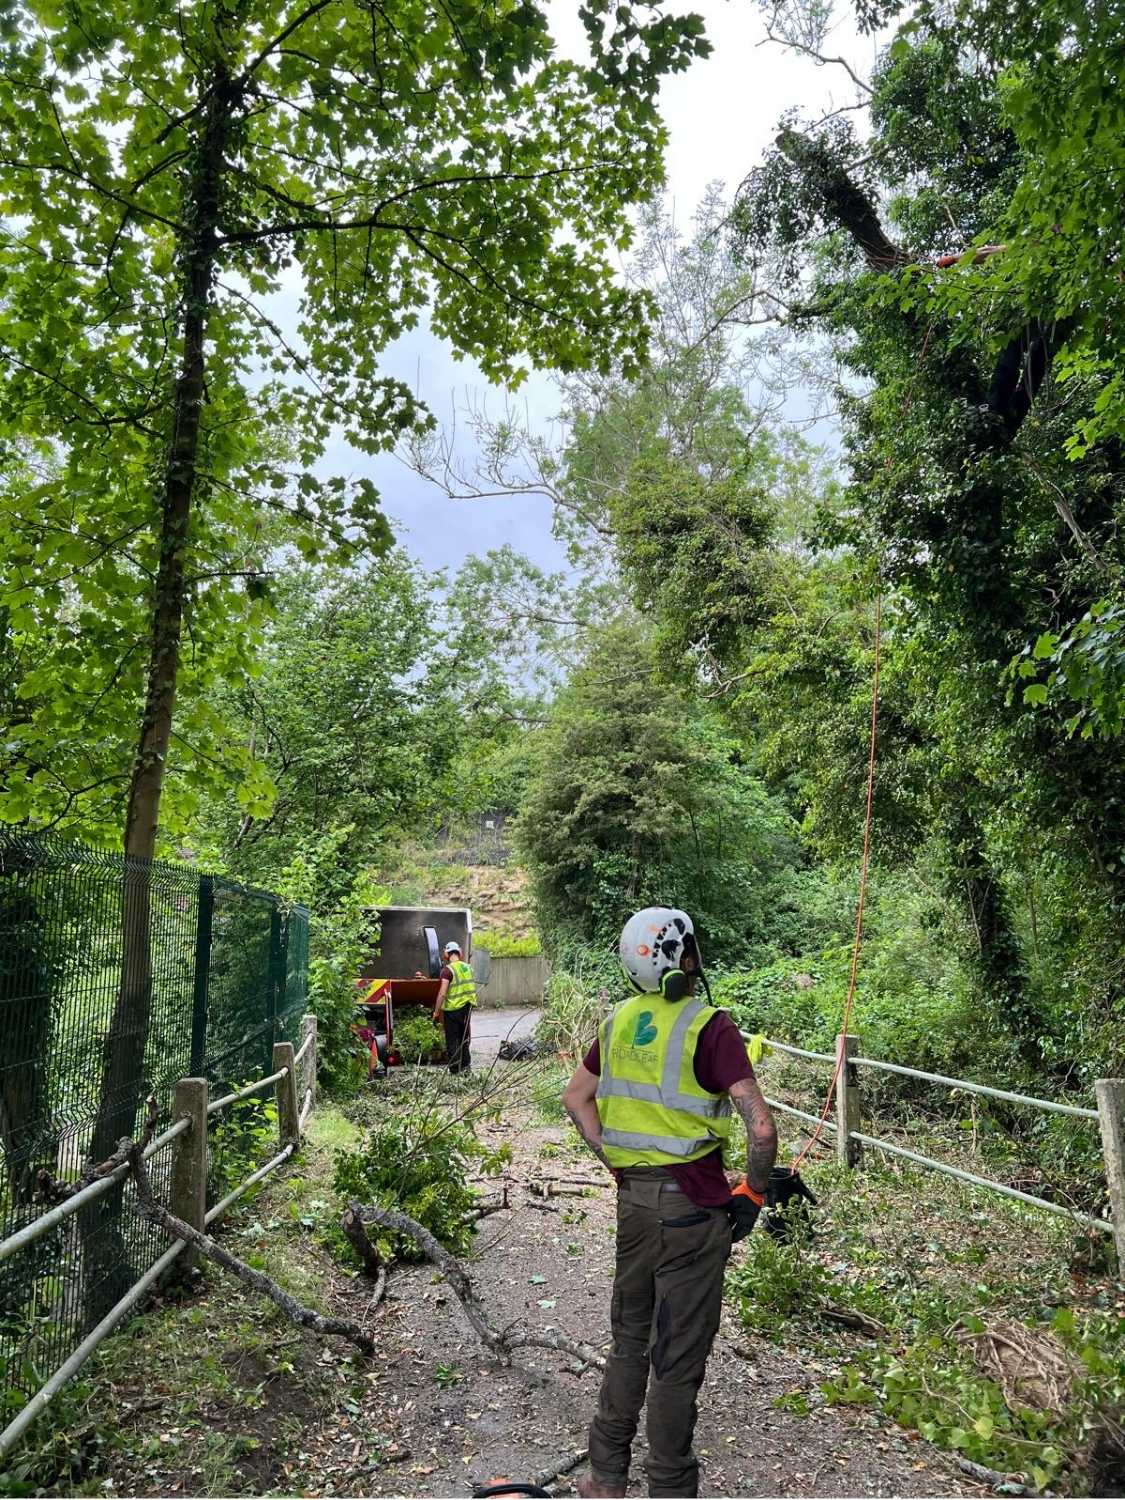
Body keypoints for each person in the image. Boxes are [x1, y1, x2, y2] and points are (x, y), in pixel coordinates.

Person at [562, 907, 778, 1500]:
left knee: (629, 1341)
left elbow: (576, 1097)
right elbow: (761, 1130)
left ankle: (605, 1478)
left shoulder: (617, 1022)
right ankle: (670, 1488)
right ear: (682, 957)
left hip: (635, 1205)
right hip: (693, 1210)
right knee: (677, 1360)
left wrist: (615, 1159)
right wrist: (752, 1194)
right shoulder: (710, 1026)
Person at [433, 940, 477, 1074]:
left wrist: (436, 1012)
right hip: (467, 1008)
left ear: (446, 954)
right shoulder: (468, 967)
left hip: (452, 1010)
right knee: (464, 1038)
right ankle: (466, 1067)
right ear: (460, 953)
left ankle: (454, 1070)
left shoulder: (447, 971)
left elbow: (442, 993)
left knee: (452, 1040)